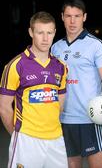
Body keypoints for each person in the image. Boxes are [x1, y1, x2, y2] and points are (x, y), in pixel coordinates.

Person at [51, 0, 102, 168]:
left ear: (84, 17)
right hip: (64, 121)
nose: (72, 21)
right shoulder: (55, 47)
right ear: (62, 17)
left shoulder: (95, 45)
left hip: (90, 120)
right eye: (68, 16)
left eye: (77, 16)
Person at [0, 11, 68, 168]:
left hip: (56, 140)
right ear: (31, 32)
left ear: (55, 33)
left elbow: (60, 106)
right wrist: (19, 134)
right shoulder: (16, 65)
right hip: (27, 140)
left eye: (49, 33)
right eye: (40, 32)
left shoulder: (61, 67)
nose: (45, 38)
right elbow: (4, 108)